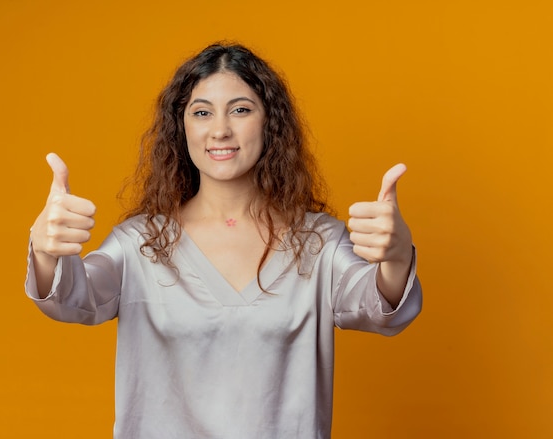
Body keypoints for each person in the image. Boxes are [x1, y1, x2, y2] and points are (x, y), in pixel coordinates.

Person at [26, 43, 422, 439]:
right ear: (181, 127)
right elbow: (70, 296)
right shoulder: (140, 243)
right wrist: (46, 251)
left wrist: (397, 255)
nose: (220, 129)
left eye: (241, 109)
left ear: (271, 123)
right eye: (201, 112)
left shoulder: (319, 243)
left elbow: (379, 307)